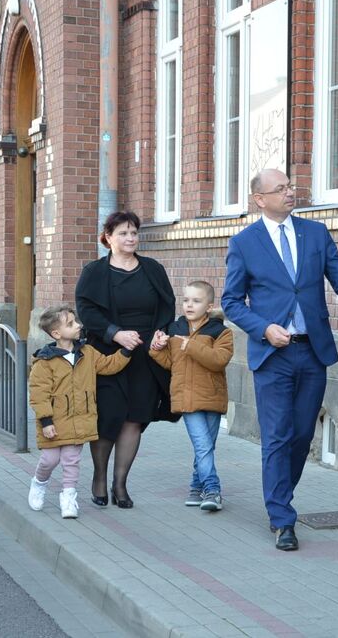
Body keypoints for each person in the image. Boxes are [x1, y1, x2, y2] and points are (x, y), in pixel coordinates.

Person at [221, 168, 338, 551]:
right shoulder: (244, 243)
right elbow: (231, 302)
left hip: (311, 350)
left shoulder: (314, 234)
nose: (289, 192)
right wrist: (263, 328)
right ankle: (282, 517)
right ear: (260, 199)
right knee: (278, 436)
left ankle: (281, 493)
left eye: (290, 186)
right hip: (273, 354)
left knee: (301, 435)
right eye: (279, 189)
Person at [75, 211, 176, 509]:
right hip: (108, 353)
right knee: (108, 417)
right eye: (123, 233)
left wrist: (161, 333)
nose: (130, 238)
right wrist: (114, 333)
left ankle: (120, 484)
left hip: (145, 354)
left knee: (135, 416)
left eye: (134, 233)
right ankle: (99, 478)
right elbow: (86, 310)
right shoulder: (94, 271)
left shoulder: (153, 269)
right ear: (108, 237)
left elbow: (167, 306)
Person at [27, 306, 131, 518]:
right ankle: (39, 483)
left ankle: (68, 497)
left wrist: (126, 351)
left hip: (80, 421)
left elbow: (108, 365)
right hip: (54, 423)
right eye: (71, 324)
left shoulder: (88, 353)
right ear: (56, 334)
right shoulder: (45, 362)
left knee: (71, 460)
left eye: (76, 322)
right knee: (49, 460)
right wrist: (46, 422)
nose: (79, 326)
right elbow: (39, 395)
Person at [150, 280, 234, 511]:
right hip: (187, 399)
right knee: (203, 446)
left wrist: (192, 346)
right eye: (186, 300)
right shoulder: (175, 329)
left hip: (212, 398)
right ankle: (213, 490)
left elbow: (219, 361)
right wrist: (156, 348)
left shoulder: (221, 332)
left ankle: (196, 488)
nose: (189, 305)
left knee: (205, 447)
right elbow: (170, 363)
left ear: (208, 306)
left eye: (196, 301)